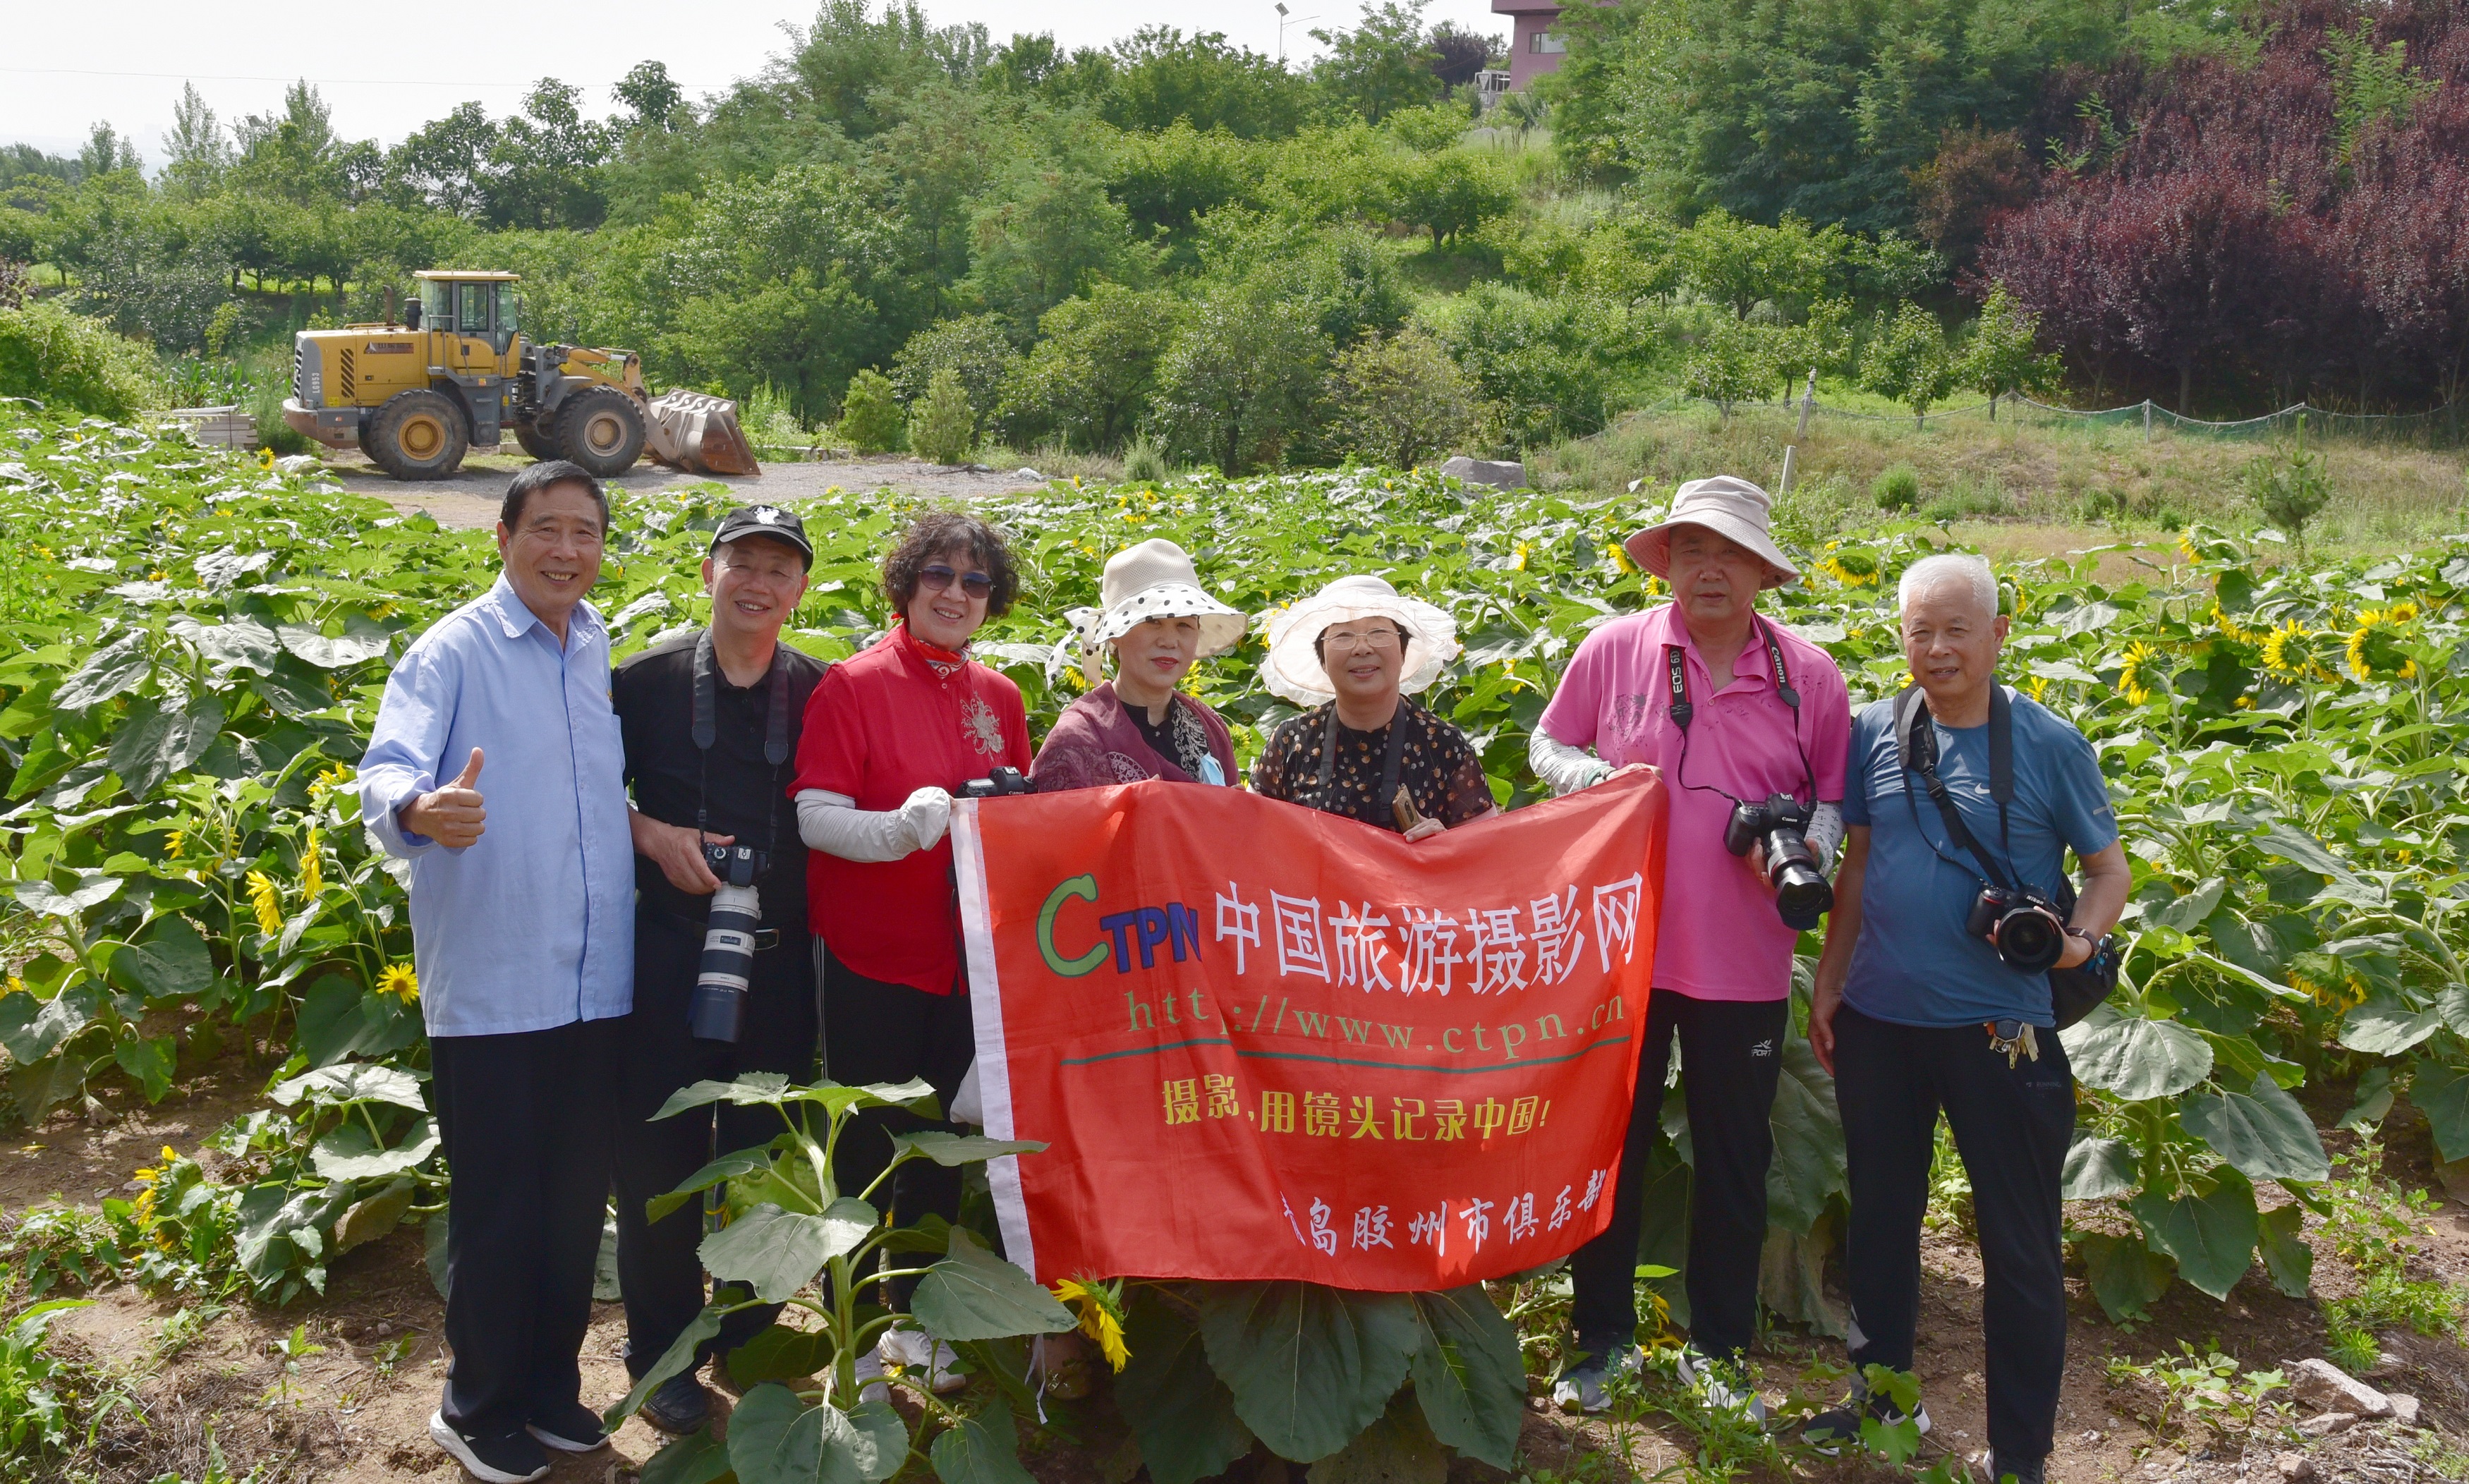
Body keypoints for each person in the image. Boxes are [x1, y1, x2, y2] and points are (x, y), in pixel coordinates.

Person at [1527, 475, 1852, 1416]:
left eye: (1732, 553)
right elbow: (1549, 742)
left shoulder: (1810, 675)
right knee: (1611, 1151)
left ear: (1762, 571)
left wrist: (1808, 850)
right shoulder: (1611, 648)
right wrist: (1594, 775)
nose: (1711, 569)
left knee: (1734, 1154)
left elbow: (1833, 799)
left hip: (1744, 957)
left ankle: (1719, 1349)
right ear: (1666, 561)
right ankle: (1603, 1342)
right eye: (1693, 550)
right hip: (1619, 951)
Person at [1804, 552, 2128, 1484]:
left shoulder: (2048, 742)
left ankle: (2020, 1453)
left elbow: (2110, 872)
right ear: (1899, 635)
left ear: (1999, 635)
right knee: (1881, 1217)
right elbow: (1858, 869)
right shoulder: (1874, 730)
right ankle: (1879, 1404)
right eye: (1920, 630)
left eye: (1957, 629)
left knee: (2019, 1241)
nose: (1937, 648)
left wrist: (2075, 941)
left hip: (2003, 1030)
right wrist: (1830, 983)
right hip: (1880, 1021)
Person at [358, 461, 634, 1484]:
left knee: (572, 1202)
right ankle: (475, 1405)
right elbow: (386, 768)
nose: (567, 550)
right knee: (501, 1204)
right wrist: (422, 810)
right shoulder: (453, 650)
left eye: (586, 533)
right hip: (495, 982)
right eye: (547, 529)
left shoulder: (595, 641)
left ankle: (550, 1389)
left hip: (594, 977)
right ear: (506, 535)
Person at [788, 509, 1031, 1385]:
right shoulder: (852, 685)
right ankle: (846, 1306)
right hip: (869, 952)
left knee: (934, 1139)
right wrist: (899, 829)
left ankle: (916, 1315)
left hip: (963, 956)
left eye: (974, 581)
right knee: (862, 1134)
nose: (955, 593)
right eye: (936, 574)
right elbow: (815, 818)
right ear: (904, 584)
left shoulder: (999, 697)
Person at [610, 505, 827, 1434]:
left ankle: (747, 1338)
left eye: (781, 570)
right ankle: (663, 1358)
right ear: (709, 570)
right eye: (744, 561)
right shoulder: (646, 682)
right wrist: (651, 836)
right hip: (667, 956)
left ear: (801, 590)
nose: (760, 583)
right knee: (659, 1163)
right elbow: (574, 793)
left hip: (780, 971)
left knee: (764, 1165)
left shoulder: (822, 689)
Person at [1251, 573, 1493, 835]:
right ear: (1322, 659)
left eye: (1379, 633)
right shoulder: (1290, 741)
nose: (1362, 649)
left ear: (1403, 652)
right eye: (1343, 636)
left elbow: (1486, 853)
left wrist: (1445, 843)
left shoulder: (1445, 746)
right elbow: (1250, 834)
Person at [1031, 537, 1245, 792]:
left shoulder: (1211, 729)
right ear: (1115, 634)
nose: (1169, 641)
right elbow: (1055, 828)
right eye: (1153, 622)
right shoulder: (1076, 739)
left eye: (1184, 625)